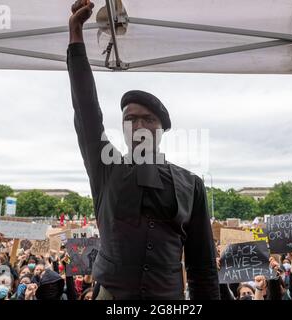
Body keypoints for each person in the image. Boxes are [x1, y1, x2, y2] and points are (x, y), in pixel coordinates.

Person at [66, 0, 219, 300]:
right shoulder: (105, 168)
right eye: (129, 119)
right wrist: (75, 35)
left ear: (161, 129)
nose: (138, 125)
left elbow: (202, 267)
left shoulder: (191, 185)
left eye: (147, 119)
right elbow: (86, 107)